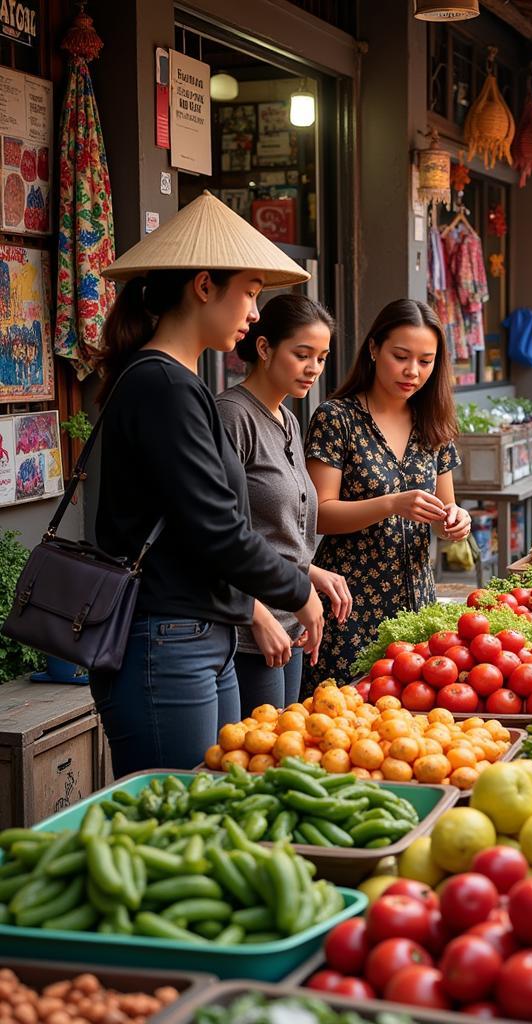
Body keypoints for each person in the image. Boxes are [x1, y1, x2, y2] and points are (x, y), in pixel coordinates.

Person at [91, 191, 327, 777]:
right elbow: (217, 528)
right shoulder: (164, 387)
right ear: (203, 286)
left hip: (201, 633)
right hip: (167, 639)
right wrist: (297, 589)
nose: (253, 313)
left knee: (215, 806)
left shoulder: (180, 383)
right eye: (248, 291)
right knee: (177, 823)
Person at [305, 299, 473, 686]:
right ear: (374, 348)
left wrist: (455, 521)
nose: (412, 371)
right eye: (401, 356)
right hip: (348, 604)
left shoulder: (434, 421)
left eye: (426, 361)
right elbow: (319, 514)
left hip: (417, 604)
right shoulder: (336, 418)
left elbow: (447, 510)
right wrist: (393, 504)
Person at [217, 295, 353, 710]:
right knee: (252, 760)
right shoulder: (231, 416)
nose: (314, 368)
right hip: (249, 630)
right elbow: (218, 533)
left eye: (322, 357)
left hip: (294, 618)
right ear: (264, 348)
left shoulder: (289, 419)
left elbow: (274, 529)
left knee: (283, 745)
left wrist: (311, 572)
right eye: (302, 354)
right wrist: (255, 612)